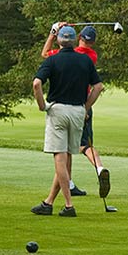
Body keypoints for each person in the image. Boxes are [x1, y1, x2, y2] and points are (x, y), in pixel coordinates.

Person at [31, 24, 103, 217]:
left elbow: (37, 83)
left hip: (59, 112)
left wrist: (41, 104)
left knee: (60, 159)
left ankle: (69, 206)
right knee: (67, 159)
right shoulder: (85, 60)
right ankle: (48, 203)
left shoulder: (53, 59)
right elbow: (98, 87)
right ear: (74, 40)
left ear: (60, 40)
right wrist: (85, 108)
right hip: (78, 112)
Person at [41, 23, 111, 198]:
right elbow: (99, 86)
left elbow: (45, 54)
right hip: (82, 106)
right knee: (77, 147)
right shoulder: (90, 57)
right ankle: (75, 181)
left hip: (64, 108)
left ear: (80, 38)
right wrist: (86, 107)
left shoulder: (67, 55)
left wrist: (54, 32)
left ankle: (66, 197)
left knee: (68, 151)